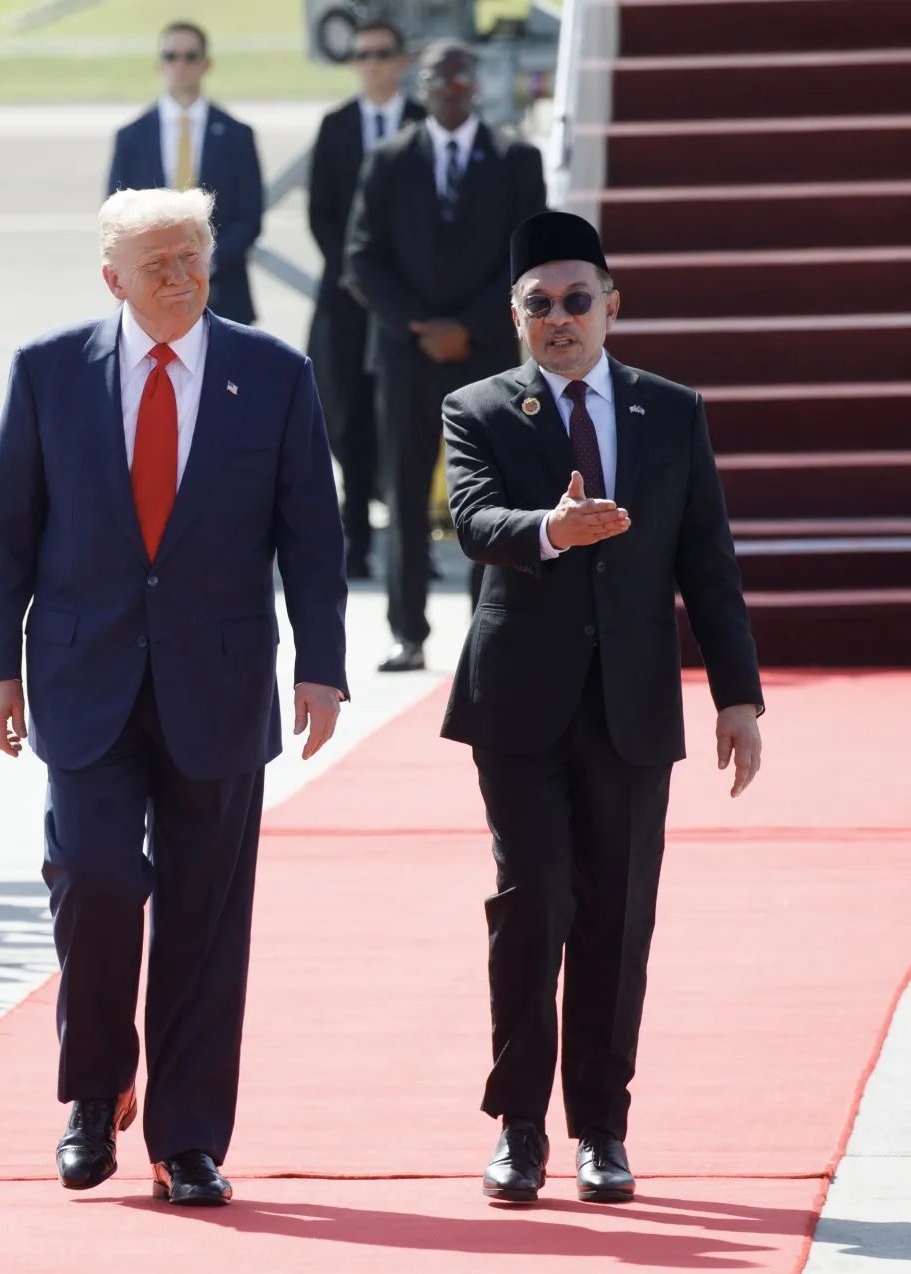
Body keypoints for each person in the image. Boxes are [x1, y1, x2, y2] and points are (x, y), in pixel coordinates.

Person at [0, 187, 348, 1207]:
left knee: (204, 913)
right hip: (81, 675)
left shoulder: (270, 374)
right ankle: (93, 1092)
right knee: (92, 876)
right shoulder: (49, 370)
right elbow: (6, 533)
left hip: (218, 680)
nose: (178, 278)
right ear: (112, 281)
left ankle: (186, 1136)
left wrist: (321, 663)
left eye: (190, 258)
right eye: (156, 266)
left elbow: (311, 533)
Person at [442, 211, 764, 1206]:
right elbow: (471, 519)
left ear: (610, 305)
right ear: (514, 315)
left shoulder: (669, 411)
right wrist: (551, 526)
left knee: (617, 917)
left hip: (629, 705)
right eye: (536, 304)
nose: (557, 319)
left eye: (575, 300)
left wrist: (736, 695)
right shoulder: (480, 409)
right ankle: (520, 1126)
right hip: (518, 704)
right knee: (532, 902)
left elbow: (705, 562)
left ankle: (601, 1128)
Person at [345, 39, 545, 671]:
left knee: (493, 496)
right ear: (421, 87)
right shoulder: (387, 159)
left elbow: (529, 257)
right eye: (437, 80)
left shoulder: (515, 159)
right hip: (406, 355)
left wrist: (467, 325)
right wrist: (419, 325)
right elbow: (360, 258)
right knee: (404, 496)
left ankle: (493, 627)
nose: (449, 90)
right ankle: (408, 631)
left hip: (484, 352)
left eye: (460, 80)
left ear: (476, 86)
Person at [306, 20, 422, 580]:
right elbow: (321, 213)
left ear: (402, 60)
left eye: (382, 53)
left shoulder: (425, 124)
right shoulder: (336, 126)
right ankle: (356, 539)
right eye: (362, 55)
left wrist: (399, 287)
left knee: (409, 422)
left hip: (413, 301)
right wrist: (358, 276)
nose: (371, 63)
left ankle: (415, 543)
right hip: (348, 303)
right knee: (347, 418)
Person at [107, 21, 263, 327]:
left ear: (206, 64)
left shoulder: (236, 135)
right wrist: (157, 265)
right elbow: (116, 215)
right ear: (158, 65)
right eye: (171, 56)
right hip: (148, 291)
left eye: (190, 56)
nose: (180, 64)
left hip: (222, 291)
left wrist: (202, 262)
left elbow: (250, 216)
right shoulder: (132, 137)